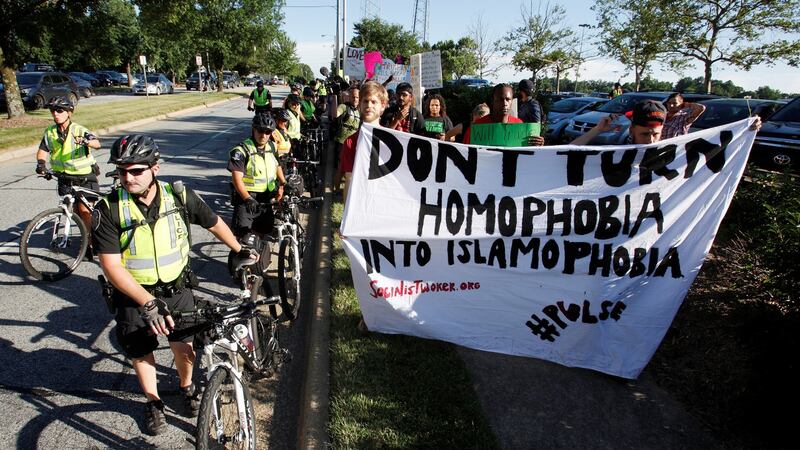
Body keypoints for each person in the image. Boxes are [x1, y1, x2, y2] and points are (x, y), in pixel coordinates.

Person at [93, 134, 258, 436]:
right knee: (140, 350)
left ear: (155, 168)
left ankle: (186, 387)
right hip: (134, 294)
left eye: (136, 170)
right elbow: (111, 266)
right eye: (122, 171)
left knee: (184, 347)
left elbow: (213, 221)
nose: (127, 178)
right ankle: (154, 402)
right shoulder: (109, 208)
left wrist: (237, 248)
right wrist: (146, 302)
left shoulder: (179, 196)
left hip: (177, 289)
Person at [35, 96, 101, 254]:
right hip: (64, 178)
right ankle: (85, 241)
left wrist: (86, 142)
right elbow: (43, 150)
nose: (56, 114)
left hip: (84, 176)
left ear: (69, 113)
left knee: (85, 212)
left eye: (60, 110)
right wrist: (41, 164)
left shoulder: (79, 130)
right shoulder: (50, 132)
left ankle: (92, 244)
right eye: (53, 111)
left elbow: (97, 143)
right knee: (75, 212)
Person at [570, 99, 761, 146]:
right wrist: (598, 130)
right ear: (632, 131)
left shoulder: (674, 155)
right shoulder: (616, 154)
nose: (652, 140)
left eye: (656, 134)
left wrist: (746, 131)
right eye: (645, 134)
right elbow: (565, 153)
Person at [227, 113, 286, 240]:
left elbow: (277, 165)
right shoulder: (241, 150)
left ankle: (261, 257)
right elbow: (236, 178)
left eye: (268, 132)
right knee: (243, 239)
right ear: (253, 129)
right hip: (246, 200)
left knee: (263, 234)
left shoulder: (272, 146)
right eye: (260, 130)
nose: (263, 135)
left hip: (266, 198)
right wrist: (247, 198)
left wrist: (283, 183)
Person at [339, 81, 389, 203]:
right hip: (362, 204)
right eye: (365, 101)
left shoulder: (390, 141)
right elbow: (349, 179)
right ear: (360, 104)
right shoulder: (351, 142)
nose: (369, 105)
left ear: (382, 106)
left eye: (374, 102)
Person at [463, 83, 544, 146]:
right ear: (493, 101)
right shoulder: (477, 128)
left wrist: (537, 145)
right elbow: (466, 154)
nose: (505, 103)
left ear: (512, 101)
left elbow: (526, 155)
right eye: (501, 99)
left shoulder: (519, 125)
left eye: (508, 99)